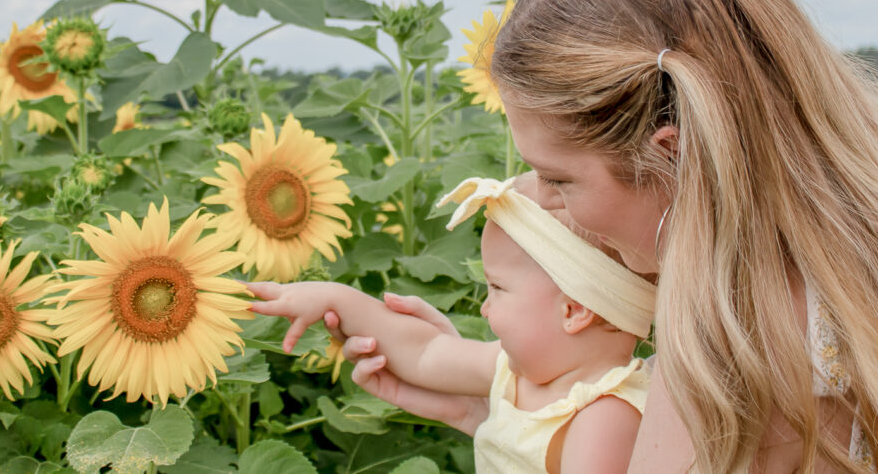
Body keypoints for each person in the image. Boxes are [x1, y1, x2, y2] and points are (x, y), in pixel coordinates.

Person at [343, 0, 878, 473]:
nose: (548, 204)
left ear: (669, 154)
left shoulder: (730, 351)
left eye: (561, 180)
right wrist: (514, 425)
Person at [249, 175, 658, 473]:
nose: (484, 307)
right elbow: (424, 352)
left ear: (573, 312)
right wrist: (337, 299)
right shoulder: (515, 373)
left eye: (496, 287)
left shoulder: (604, 418)